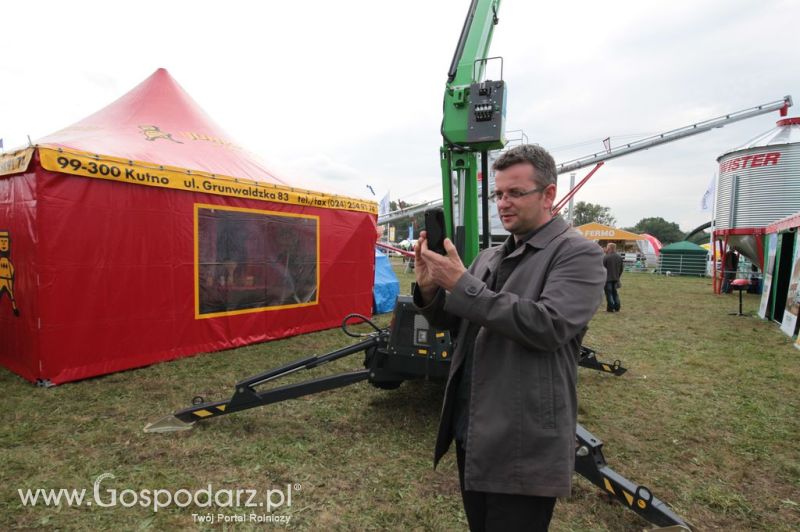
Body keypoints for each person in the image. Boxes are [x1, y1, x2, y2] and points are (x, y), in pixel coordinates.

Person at [412, 144, 605, 531]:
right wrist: (432, 291)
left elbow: (548, 325)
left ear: (549, 194)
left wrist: (463, 286)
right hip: (476, 430)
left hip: (523, 441)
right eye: (498, 194)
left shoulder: (578, 255)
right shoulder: (489, 257)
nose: (503, 203)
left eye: (515, 193)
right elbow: (460, 324)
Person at [602, 243, 624, 312]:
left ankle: (610, 308)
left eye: (607, 247)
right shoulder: (619, 257)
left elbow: (602, 268)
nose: (606, 248)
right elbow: (621, 268)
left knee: (609, 293)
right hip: (616, 278)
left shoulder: (606, 257)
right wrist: (618, 276)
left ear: (610, 248)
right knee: (615, 293)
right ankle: (617, 307)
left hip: (607, 278)